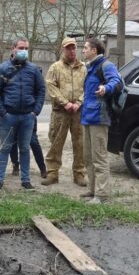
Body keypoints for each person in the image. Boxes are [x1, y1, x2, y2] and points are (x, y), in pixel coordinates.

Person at [0, 37, 45, 191]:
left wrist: (35, 111)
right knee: (5, 148)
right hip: (8, 116)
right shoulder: (2, 68)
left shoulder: (33, 69)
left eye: (26, 48)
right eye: (21, 48)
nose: (24, 51)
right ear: (13, 49)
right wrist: (2, 112)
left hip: (28, 116)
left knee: (25, 149)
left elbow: (41, 90)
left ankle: (25, 180)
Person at [80, 37, 121, 204]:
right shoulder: (91, 67)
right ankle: (92, 189)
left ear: (94, 50)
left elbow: (116, 82)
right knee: (88, 156)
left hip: (99, 116)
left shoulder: (106, 65)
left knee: (99, 156)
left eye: (85, 47)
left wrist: (106, 88)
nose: (83, 50)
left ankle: (102, 195)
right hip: (88, 116)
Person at [41, 37, 87, 187]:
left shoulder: (83, 68)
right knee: (56, 142)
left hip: (78, 112)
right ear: (63, 49)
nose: (72, 50)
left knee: (80, 143)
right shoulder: (55, 67)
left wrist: (79, 102)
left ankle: (79, 174)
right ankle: (53, 173)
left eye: (74, 48)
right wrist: (65, 103)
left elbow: (88, 87)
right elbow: (51, 87)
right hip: (60, 112)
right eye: (68, 48)